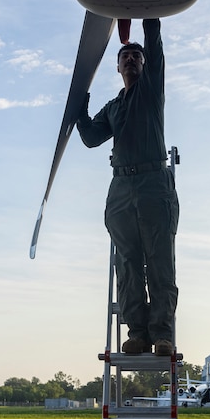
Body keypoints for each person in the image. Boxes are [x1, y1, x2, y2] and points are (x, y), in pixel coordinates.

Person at [77, 18, 180, 356]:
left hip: (153, 183)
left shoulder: (151, 89)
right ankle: (137, 332)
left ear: (144, 64)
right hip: (121, 186)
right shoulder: (114, 107)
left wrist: (144, 10)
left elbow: (153, 42)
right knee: (129, 262)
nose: (132, 59)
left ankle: (162, 335)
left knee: (159, 261)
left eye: (137, 56)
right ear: (118, 67)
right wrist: (80, 108)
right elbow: (92, 138)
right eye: (126, 57)